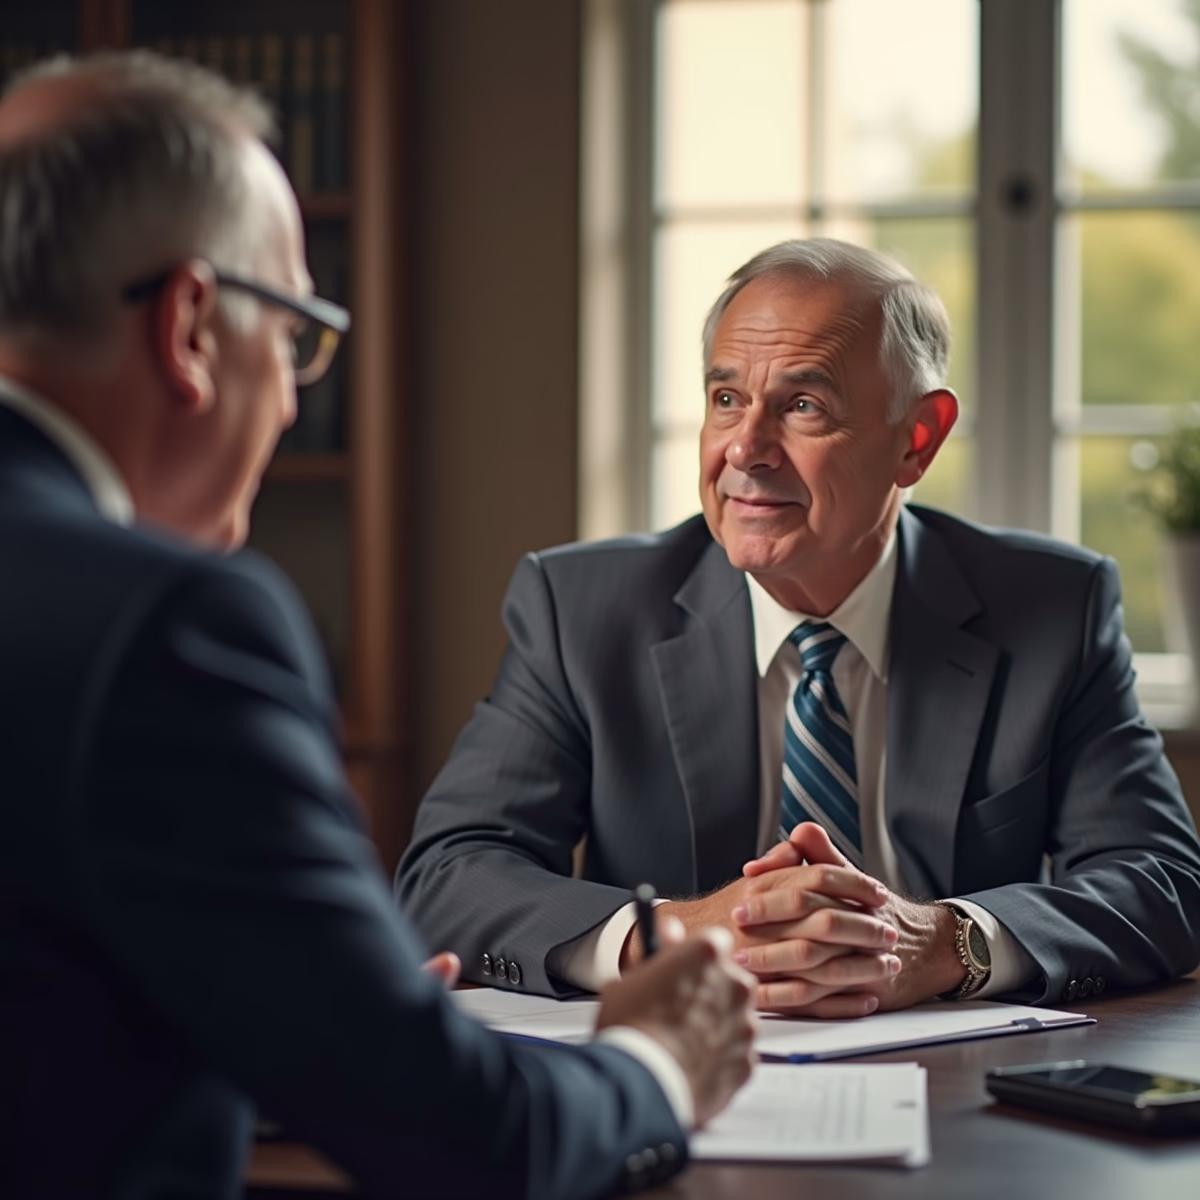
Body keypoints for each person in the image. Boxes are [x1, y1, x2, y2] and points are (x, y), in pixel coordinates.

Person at [0, 51, 757, 1200]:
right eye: (296, 328)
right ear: (194, 326)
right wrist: (661, 1059)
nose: (297, 389)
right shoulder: (171, 628)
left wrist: (298, 1010)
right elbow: (470, 1143)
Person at [399, 237, 1200, 1018]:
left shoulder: (1055, 609)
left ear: (916, 439)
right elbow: (450, 873)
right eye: (726, 399)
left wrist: (944, 944)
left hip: (960, 1088)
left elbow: (1162, 880)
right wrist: (674, 936)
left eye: (804, 406)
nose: (746, 448)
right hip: (667, 1086)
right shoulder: (581, 609)